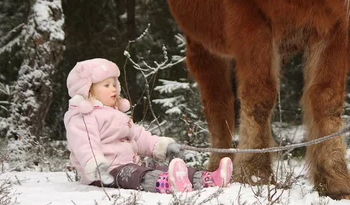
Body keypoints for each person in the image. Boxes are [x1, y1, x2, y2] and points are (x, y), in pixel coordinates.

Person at [64, 58, 232, 193]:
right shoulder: (83, 116)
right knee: (138, 175)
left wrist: (160, 146)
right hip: (107, 172)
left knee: (159, 167)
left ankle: (206, 178)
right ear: (88, 90)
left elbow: (139, 136)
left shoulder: (116, 115)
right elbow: (85, 144)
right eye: (106, 85)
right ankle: (165, 184)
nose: (113, 89)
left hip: (130, 163)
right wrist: (95, 164)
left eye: (114, 84)